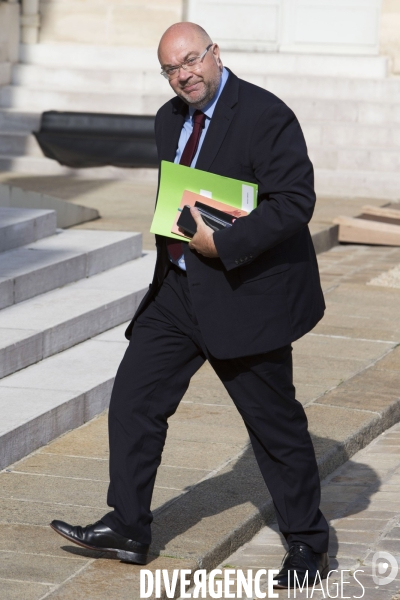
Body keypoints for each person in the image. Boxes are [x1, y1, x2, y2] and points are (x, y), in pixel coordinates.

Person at [50, 22, 330, 588]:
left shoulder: (264, 114)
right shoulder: (168, 118)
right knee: (133, 401)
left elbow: (295, 200)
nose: (184, 75)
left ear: (215, 54)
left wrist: (221, 243)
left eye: (192, 61)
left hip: (245, 296)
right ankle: (129, 525)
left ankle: (307, 543)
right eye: (172, 69)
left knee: (274, 427)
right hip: (178, 290)